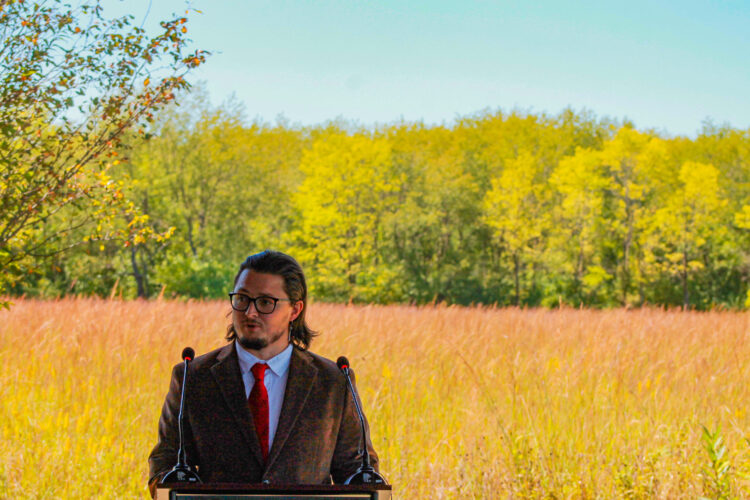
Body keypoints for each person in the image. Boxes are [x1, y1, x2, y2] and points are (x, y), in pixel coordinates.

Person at [148, 250, 379, 496]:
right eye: (242, 299)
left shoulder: (333, 382)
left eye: (266, 302)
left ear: (295, 310)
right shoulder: (193, 378)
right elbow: (166, 463)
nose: (250, 312)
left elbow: (356, 469)